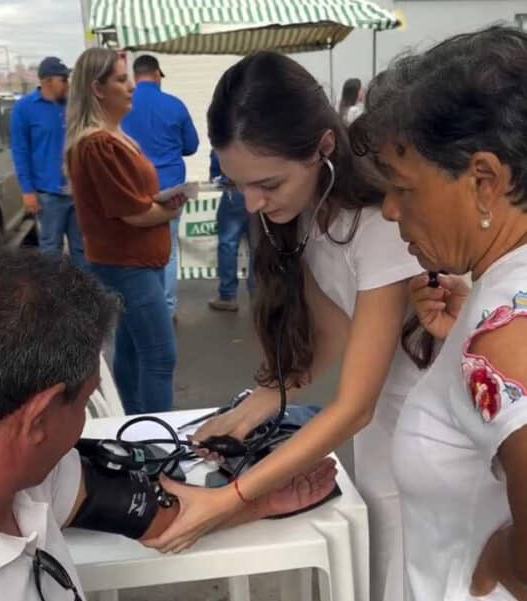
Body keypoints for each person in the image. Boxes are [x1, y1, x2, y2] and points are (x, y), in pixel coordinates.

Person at [147, 51, 428, 601]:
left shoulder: (378, 227)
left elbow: (354, 406)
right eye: (238, 185)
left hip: (428, 429)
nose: (252, 202)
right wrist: (244, 415)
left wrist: (232, 502)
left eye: (268, 184)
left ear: (325, 147)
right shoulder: (310, 212)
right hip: (384, 435)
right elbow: (330, 337)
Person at [0, 248, 338, 601]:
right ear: (38, 419)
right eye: (84, 402)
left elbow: (154, 513)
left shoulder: (43, 475)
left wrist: (261, 502)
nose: (82, 427)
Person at [352, 26, 527, 600]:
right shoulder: (499, 305)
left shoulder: (504, 338)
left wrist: (500, 560)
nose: (392, 210)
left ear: (484, 181)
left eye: (404, 188)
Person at [63, 48, 184, 414]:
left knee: (133, 353)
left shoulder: (108, 138)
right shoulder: (98, 144)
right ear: (97, 89)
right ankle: (157, 441)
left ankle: (135, 433)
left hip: (129, 263)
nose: (131, 86)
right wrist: (167, 208)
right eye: (120, 79)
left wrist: (159, 207)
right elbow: (133, 213)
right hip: (127, 265)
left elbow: (132, 205)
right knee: (160, 356)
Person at [121, 54, 199, 320]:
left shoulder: (123, 107)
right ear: (157, 75)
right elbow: (192, 145)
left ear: (135, 76)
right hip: (170, 189)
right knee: (168, 250)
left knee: (135, 249)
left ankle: (143, 308)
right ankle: (166, 310)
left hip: (134, 188)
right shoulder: (175, 105)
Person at [10, 56, 87, 269]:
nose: (68, 84)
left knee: (82, 248)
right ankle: (51, 297)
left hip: (78, 192)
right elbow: (20, 151)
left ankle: (85, 295)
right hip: (47, 194)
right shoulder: (25, 109)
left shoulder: (73, 106)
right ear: (48, 82)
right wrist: (28, 191)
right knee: (51, 249)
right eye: (64, 79)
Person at [208, 150, 254, 312]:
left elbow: (216, 166)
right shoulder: (264, 130)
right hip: (259, 190)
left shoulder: (228, 132)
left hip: (234, 192)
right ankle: (257, 295)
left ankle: (228, 295)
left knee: (228, 244)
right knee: (257, 246)